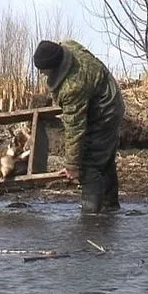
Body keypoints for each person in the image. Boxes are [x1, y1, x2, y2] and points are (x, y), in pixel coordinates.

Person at [33, 40, 125, 213]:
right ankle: (110, 209)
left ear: (52, 67)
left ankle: (90, 218)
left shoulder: (72, 87)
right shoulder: (68, 45)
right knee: (103, 159)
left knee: (90, 164)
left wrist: (72, 166)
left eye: (43, 70)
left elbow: (75, 129)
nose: (42, 74)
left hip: (105, 112)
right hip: (108, 97)